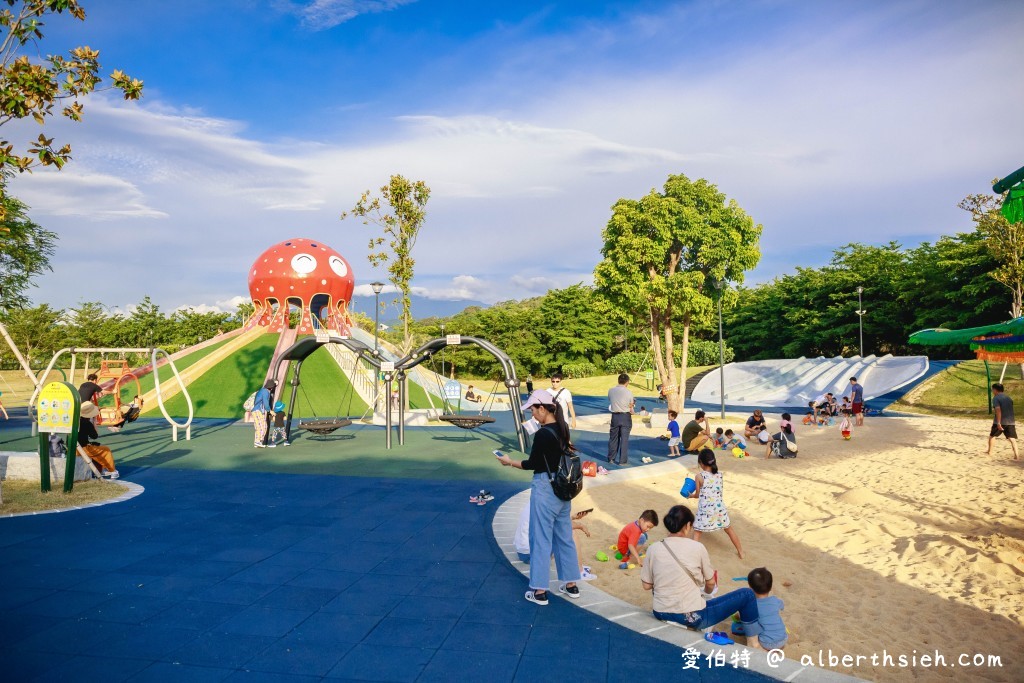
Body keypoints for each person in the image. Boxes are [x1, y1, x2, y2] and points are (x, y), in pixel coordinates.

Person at [496, 390, 581, 605]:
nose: (532, 415)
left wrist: (509, 461)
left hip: (546, 487)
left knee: (541, 538)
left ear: (542, 408)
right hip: (563, 489)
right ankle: (571, 584)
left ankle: (539, 590)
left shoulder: (543, 434)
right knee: (564, 536)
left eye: (533, 410)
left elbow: (532, 463)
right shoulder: (563, 428)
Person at [640, 505, 761, 636]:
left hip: (660, 612)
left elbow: (646, 585)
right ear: (687, 525)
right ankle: (754, 643)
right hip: (691, 616)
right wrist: (706, 592)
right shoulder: (697, 547)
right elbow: (710, 584)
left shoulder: (654, 548)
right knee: (747, 594)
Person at [686, 449, 744, 558]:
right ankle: (740, 551)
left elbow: (698, 495)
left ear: (701, 463)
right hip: (719, 508)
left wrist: (690, 495)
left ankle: (692, 555)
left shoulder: (699, 476)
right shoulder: (720, 475)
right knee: (729, 529)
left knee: (697, 531)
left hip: (705, 510)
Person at [732, 567, 787, 650]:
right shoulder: (775, 600)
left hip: (767, 643)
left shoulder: (751, 605)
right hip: (783, 639)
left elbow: (739, 617)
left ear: (750, 588)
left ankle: (762, 649)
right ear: (771, 587)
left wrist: (736, 616)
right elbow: (782, 606)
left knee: (749, 626)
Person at [77, 402, 119, 478]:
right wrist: (94, 424)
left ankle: (101, 470)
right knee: (106, 450)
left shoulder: (76, 421)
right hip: (83, 449)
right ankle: (112, 470)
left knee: (95, 449)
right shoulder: (87, 423)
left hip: (73, 448)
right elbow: (94, 436)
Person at [607, 373, 634, 465]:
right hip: (625, 416)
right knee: (624, 439)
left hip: (615, 416)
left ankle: (611, 458)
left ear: (618, 380)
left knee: (613, 438)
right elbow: (631, 405)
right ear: (627, 382)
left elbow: (610, 400)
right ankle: (622, 461)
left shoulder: (611, 390)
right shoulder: (629, 392)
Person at [987, 383, 1019, 460]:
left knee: (992, 436)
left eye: (992, 389)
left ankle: (990, 452)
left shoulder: (996, 398)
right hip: (1010, 421)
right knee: (1012, 438)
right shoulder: (1009, 398)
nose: (992, 391)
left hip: (1000, 421)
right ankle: (1016, 455)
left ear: (995, 389)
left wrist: (998, 422)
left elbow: (998, 410)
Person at [252, 379, 278, 448]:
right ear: (271, 387)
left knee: (259, 426)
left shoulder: (262, 390)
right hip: (258, 411)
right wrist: (270, 410)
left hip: (256, 410)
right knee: (263, 426)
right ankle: (258, 441)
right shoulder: (265, 392)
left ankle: (257, 442)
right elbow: (266, 403)